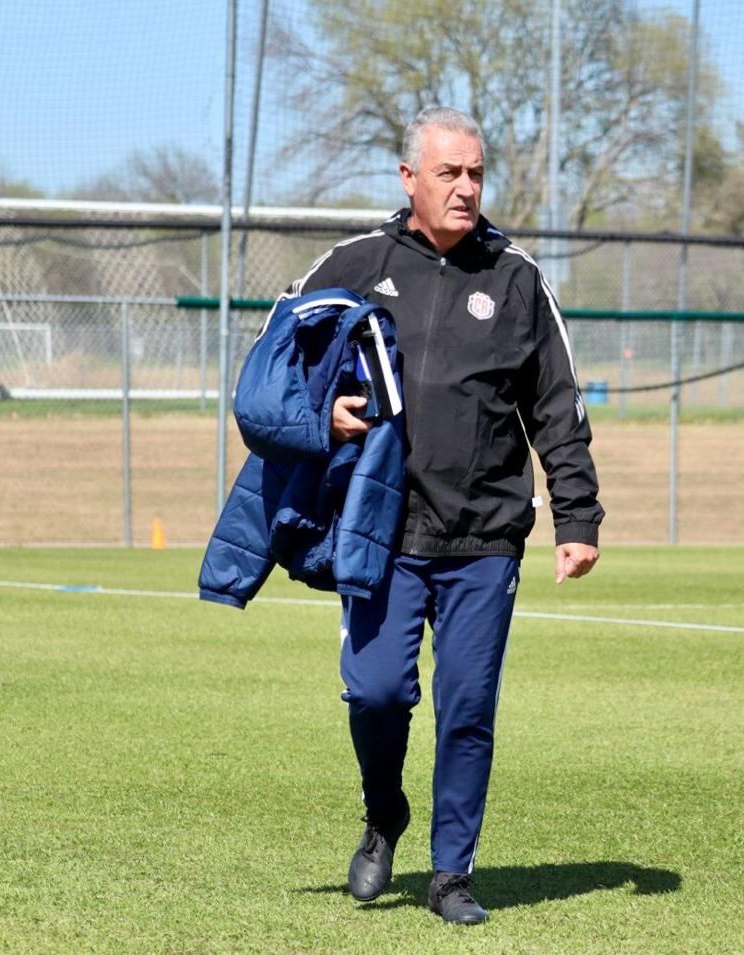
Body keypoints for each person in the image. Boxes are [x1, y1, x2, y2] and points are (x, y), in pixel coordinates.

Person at [285, 106, 603, 925]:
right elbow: (277, 367)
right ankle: (383, 812)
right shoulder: (353, 265)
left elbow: (557, 408)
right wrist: (323, 418)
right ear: (409, 178)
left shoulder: (518, 279)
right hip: (381, 531)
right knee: (378, 691)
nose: (465, 188)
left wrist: (577, 516)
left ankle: (452, 872)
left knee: (467, 708)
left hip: (487, 539)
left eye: (475, 174)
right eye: (448, 173)